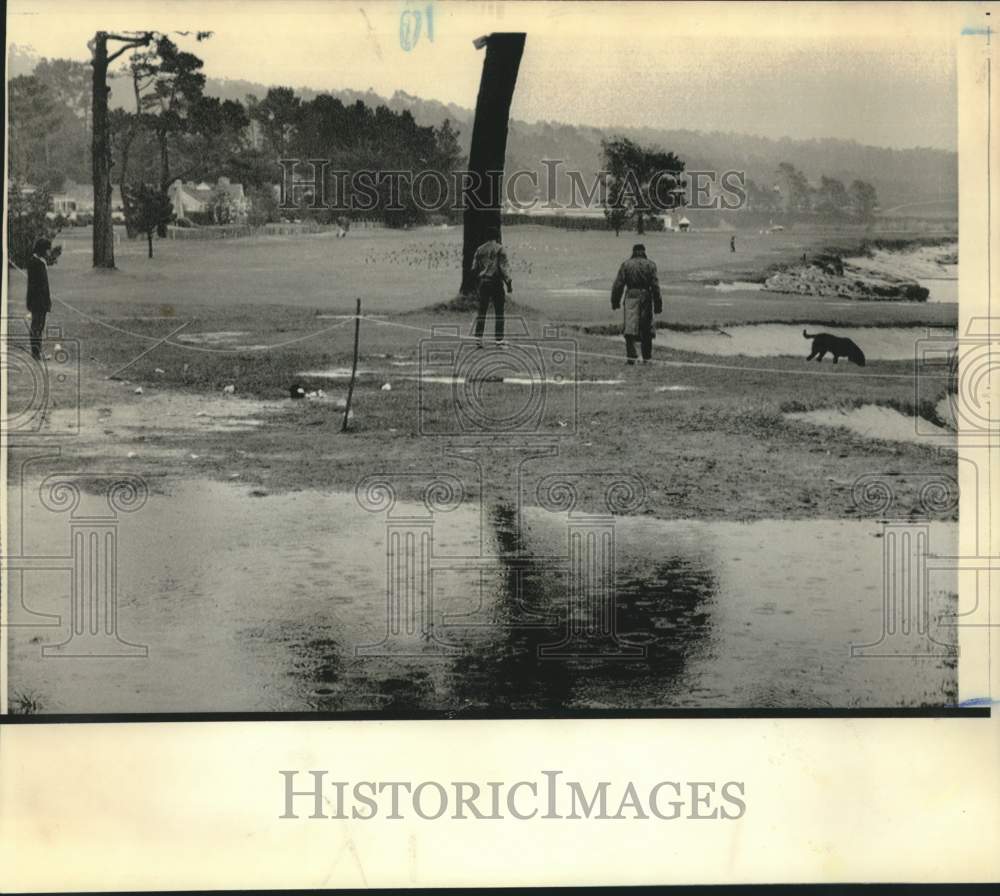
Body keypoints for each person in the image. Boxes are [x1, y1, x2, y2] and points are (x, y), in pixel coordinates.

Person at [611, 243, 662, 365]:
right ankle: (647, 357)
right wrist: (658, 304)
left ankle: (632, 357)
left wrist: (615, 301)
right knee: (646, 328)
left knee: (630, 327)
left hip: (631, 295)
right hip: (646, 296)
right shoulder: (651, 265)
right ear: (644, 251)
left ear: (633, 251)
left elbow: (618, 284)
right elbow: (655, 286)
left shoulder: (626, 264)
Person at [471, 227, 512, 347]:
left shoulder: (480, 249)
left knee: (482, 311)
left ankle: (478, 339)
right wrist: (508, 282)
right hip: (496, 283)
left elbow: (474, 268)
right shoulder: (500, 249)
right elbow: (503, 268)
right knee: (499, 312)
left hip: (483, 282)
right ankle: (499, 340)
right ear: (496, 236)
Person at [26, 238, 52, 361]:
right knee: (37, 326)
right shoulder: (37, 263)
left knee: (38, 326)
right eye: (48, 249)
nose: (49, 252)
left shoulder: (37, 262)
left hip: (39, 301)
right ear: (43, 250)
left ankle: (37, 352)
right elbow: (39, 286)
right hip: (38, 301)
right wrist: (44, 302)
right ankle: (36, 353)